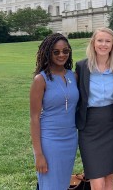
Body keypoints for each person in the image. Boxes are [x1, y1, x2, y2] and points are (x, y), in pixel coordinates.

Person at [75, 27, 113, 190]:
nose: (103, 44)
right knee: (97, 181)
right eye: (100, 40)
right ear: (93, 43)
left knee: (109, 179)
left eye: (108, 41)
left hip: (112, 125)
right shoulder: (82, 67)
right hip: (89, 127)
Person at [30, 33, 79, 189]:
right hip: (50, 141)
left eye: (65, 51)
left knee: (63, 184)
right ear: (48, 53)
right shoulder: (41, 79)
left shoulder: (74, 76)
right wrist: (38, 154)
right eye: (56, 52)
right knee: (50, 185)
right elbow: (34, 118)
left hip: (70, 140)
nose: (62, 55)